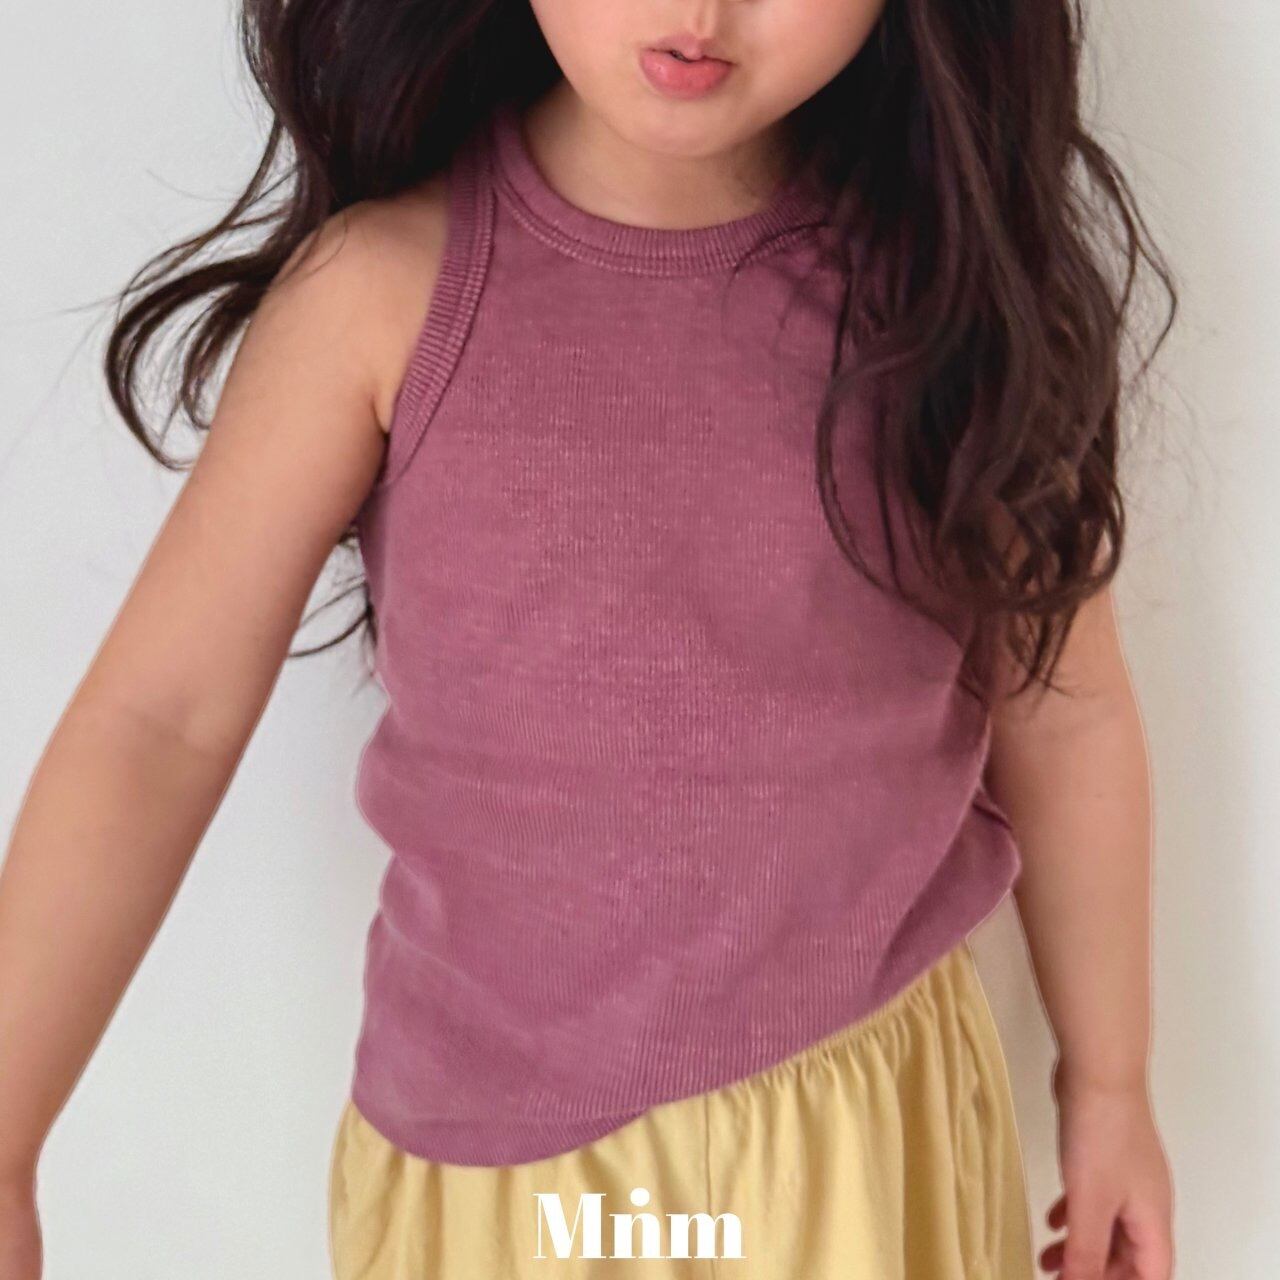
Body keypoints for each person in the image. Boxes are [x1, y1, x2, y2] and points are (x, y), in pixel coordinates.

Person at [0, 1, 1178, 1277]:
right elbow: (157, 722)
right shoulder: (380, 295)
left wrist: (1106, 1081)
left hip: (867, 1142)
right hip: (513, 1187)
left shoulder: (952, 306)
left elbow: (1064, 708)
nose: (698, 10)